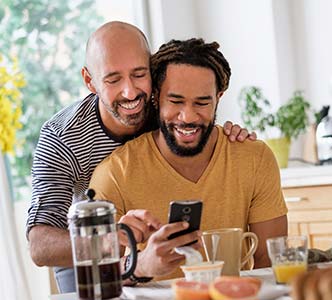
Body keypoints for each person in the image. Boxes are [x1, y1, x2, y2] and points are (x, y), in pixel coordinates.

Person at [26, 21, 254, 293]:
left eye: (138, 74)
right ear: (90, 81)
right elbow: (39, 246)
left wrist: (228, 136)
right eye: (113, 79)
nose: (130, 92)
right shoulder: (63, 137)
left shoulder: (164, 109)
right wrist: (114, 239)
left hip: (150, 248)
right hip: (86, 252)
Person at [90, 38, 288, 281]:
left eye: (202, 102)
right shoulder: (115, 173)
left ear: (219, 97)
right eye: (175, 101)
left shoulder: (254, 158)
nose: (188, 116)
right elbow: (98, 278)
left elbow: (270, 263)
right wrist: (140, 266)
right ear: (155, 97)